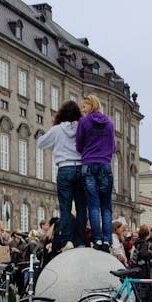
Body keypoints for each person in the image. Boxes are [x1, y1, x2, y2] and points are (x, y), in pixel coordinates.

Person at [37, 100, 85, 252]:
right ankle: (81, 240)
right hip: (81, 169)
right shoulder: (82, 128)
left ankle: (67, 241)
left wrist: (57, 143)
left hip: (64, 169)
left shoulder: (57, 130)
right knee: (81, 208)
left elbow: (41, 143)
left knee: (65, 208)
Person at [76, 95, 115, 252]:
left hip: (88, 165)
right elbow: (113, 147)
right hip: (105, 165)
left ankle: (97, 239)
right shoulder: (109, 123)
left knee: (93, 205)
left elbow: (79, 145)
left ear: (91, 106)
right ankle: (107, 240)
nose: (82, 110)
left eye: (84, 107)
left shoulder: (83, 122)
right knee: (106, 206)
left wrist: (89, 151)